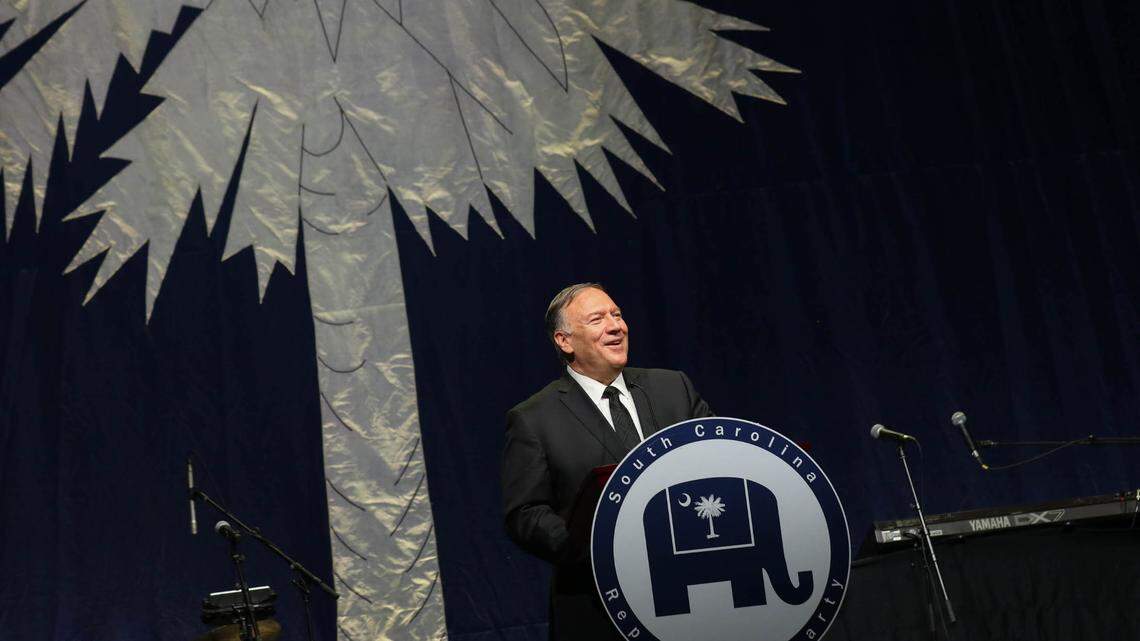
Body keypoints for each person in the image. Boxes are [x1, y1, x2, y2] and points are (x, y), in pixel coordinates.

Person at [501, 283, 713, 640]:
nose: (616, 326)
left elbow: (720, 459)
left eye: (617, 315)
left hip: (697, 592)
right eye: (597, 319)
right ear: (565, 341)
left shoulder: (673, 388)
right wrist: (594, 549)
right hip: (599, 605)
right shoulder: (535, 419)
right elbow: (524, 513)